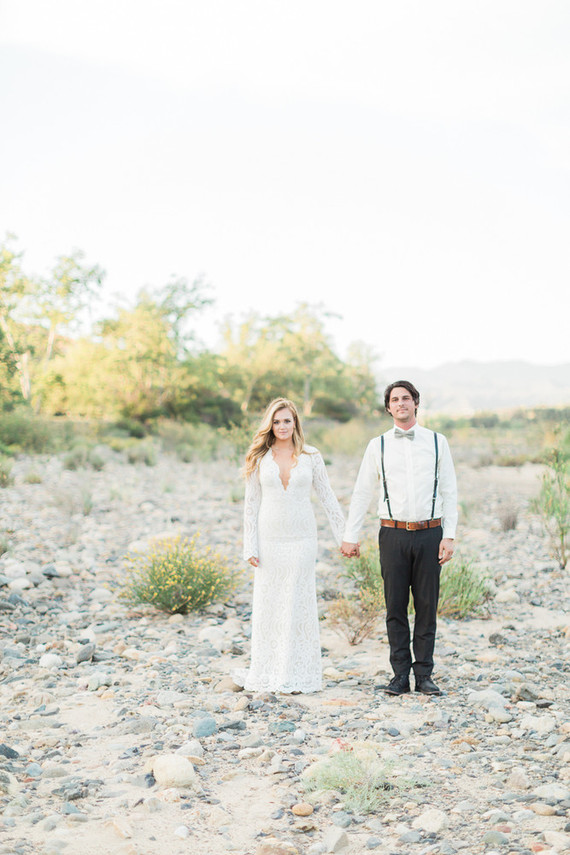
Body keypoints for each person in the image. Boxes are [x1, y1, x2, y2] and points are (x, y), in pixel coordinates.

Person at [341, 380, 457, 696]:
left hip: (430, 534)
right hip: (392, 534)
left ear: (416, 403)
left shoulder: (437, 442)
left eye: (406, 398)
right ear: (388, 407)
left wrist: (450, 536)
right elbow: (363, 491)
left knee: (426, 606)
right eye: (395, 399)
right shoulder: (376, 445)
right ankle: (400, 676)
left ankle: (425, 676)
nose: (401, 403)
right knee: (395, 607)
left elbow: (449, 490)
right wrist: (350, 535)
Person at [235, 397, 345, 694]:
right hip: (269, 541)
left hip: (302, 539)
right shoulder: (260, 457)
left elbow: (327, 497)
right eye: (276, 421)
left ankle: (298, 673)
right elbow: (250, 504)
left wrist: (343, 537)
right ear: (269, 425)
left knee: (298, 604)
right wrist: (250, 546)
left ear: (295, 422)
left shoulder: (311, 455)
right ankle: (269, 671)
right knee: (270, 605)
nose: (282, 426)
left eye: (287, 420)